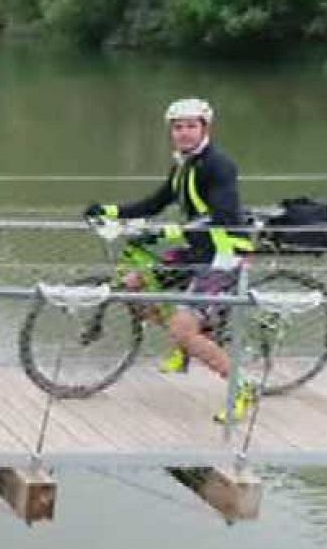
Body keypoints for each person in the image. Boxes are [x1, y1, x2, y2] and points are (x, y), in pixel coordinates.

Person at [85, 97, 256, 422]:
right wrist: (108, 210)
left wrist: (164, 234)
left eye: (191, 126)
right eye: (178, 127)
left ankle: (241, 386)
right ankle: (188, 342)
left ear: (206, 128)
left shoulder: (219, 165)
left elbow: (220, 216)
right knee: (134, 285)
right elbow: (154, 203)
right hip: (196, 251)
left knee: (183, 328)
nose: (184, 133)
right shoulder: (183, 165)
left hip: (223, 254)